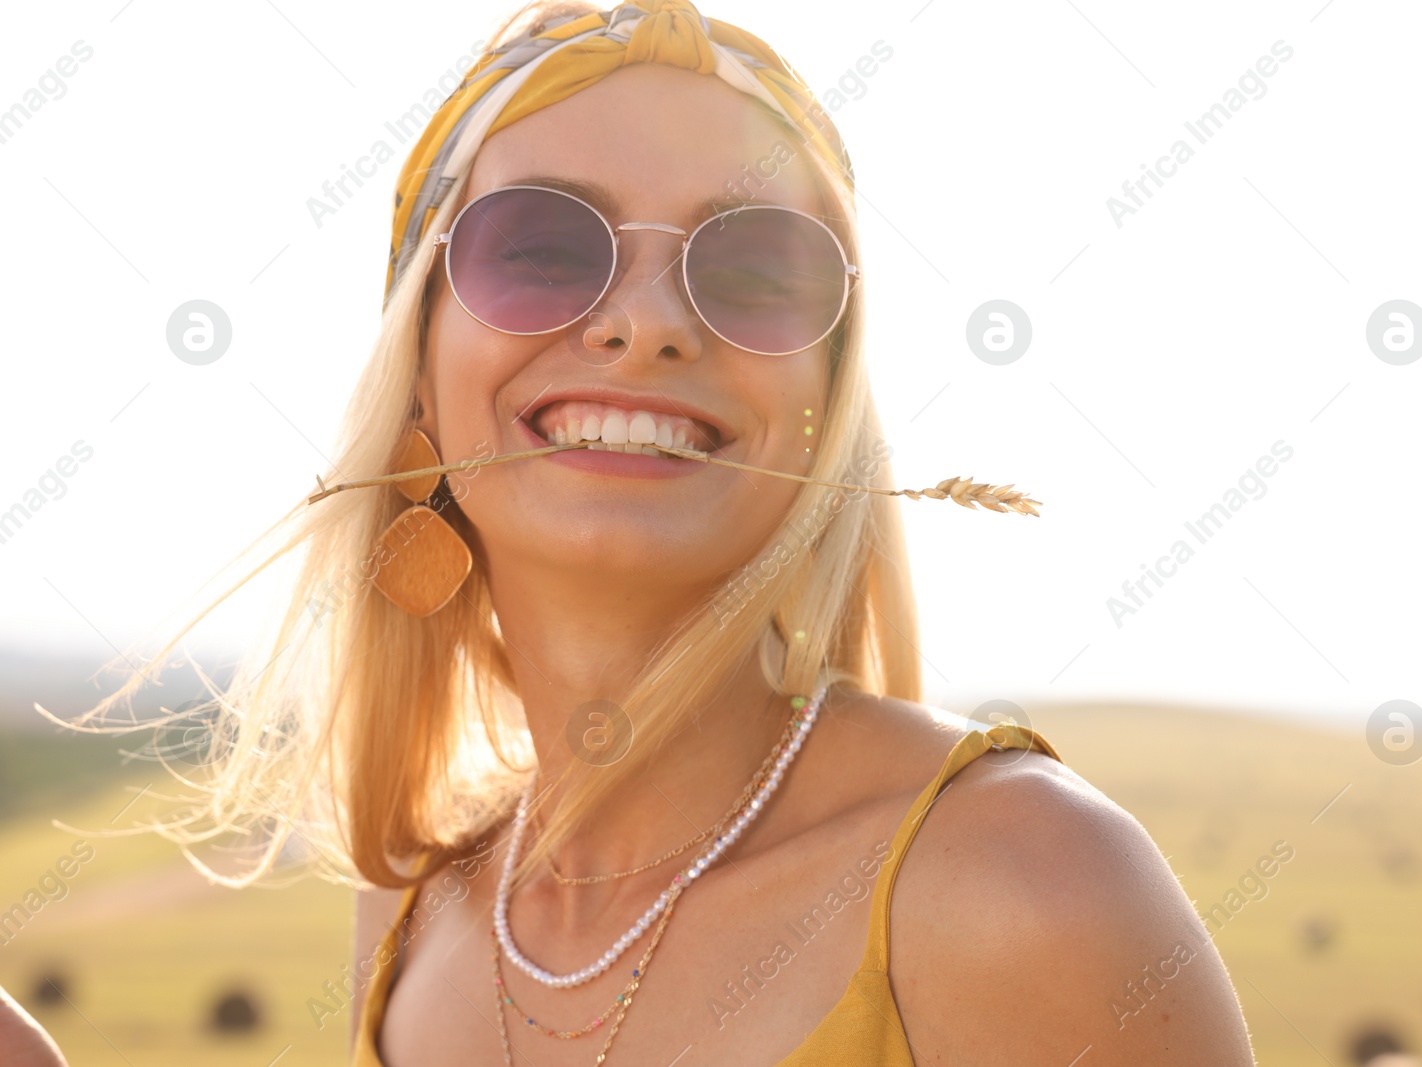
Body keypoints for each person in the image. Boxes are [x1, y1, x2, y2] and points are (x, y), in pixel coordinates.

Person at [27, 1, 1258, 1064]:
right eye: (544, 248)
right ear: (417, 375)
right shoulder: (416, 911)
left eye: (759, 269)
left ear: (823, 410)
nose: (648, 321)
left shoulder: (1021, 885)